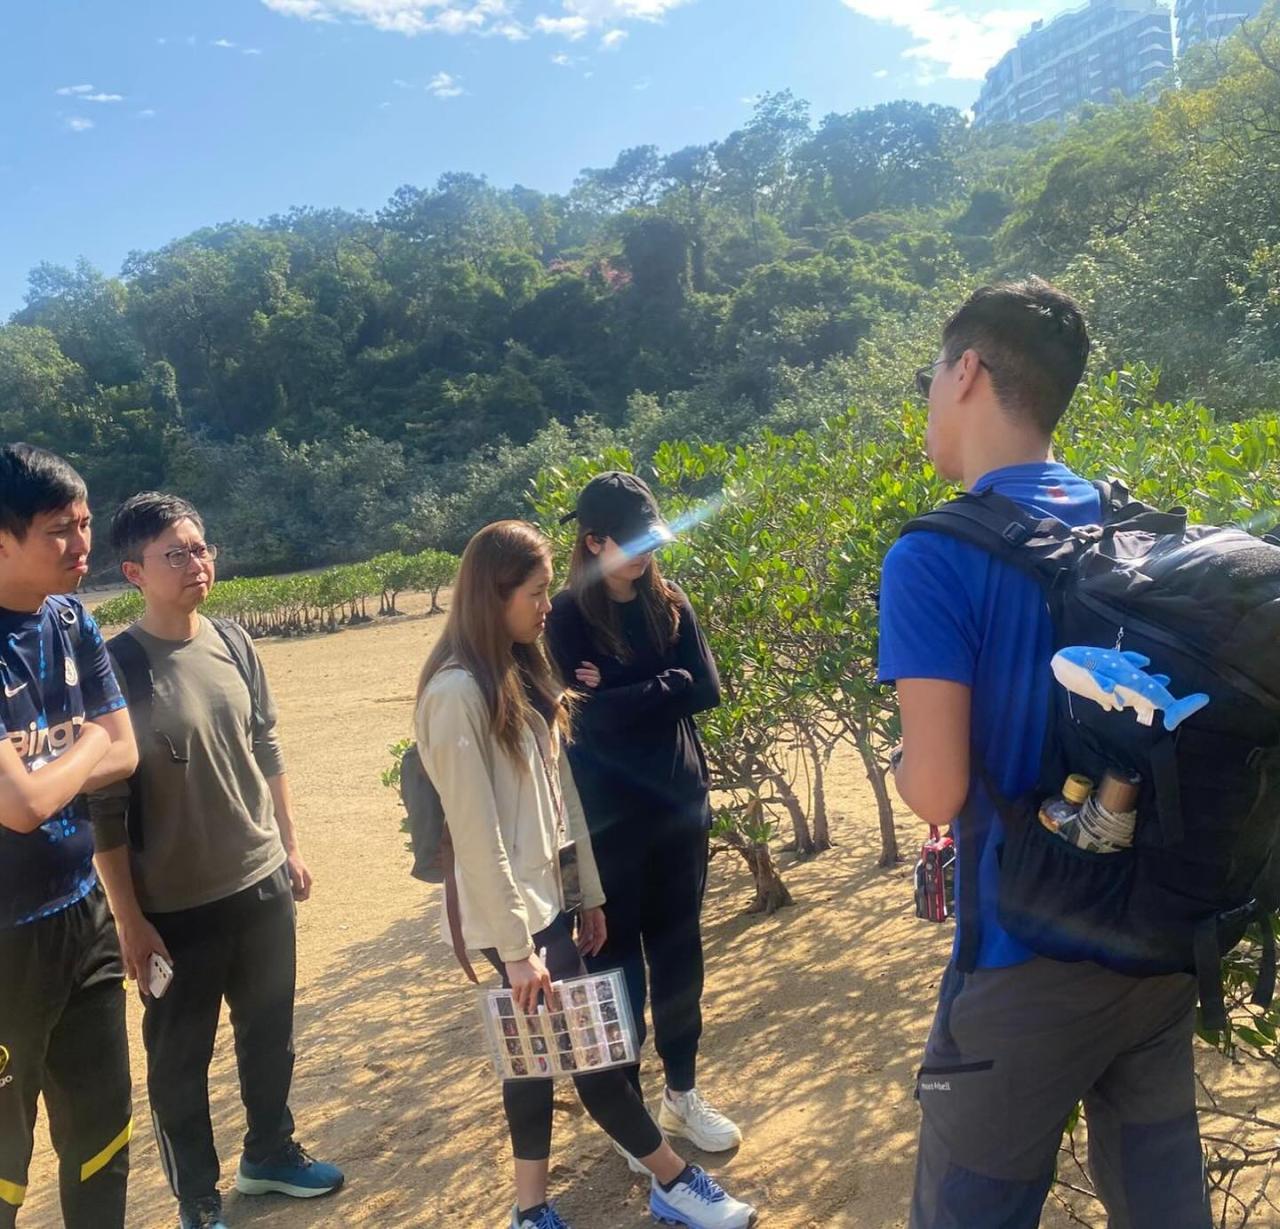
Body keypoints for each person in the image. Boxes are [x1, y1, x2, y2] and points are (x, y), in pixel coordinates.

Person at [878, 279, 1212, 1229]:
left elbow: (936, 789)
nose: (929, 396)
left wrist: (904, 759)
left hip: (1022, 961)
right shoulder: (1133, 528)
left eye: (930, 375)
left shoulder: (932, 556)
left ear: (966, 372)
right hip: (1155, 947)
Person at [416, 519, 754, 1229]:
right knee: (594, 1057)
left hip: (545, 905)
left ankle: (530, 1210)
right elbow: (476, 837)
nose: (549, 606)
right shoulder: (455, 694)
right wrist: (518, 950)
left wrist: (586, 893)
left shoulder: (517, 671)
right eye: (536, 593)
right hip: (512, 920)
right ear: (493, 595)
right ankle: (674, 1181)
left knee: (532, 1060)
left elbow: (560, 800)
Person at [88, 492, 342, 1229]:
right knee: (179, 1060)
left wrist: (289, 844)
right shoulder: (117, 668)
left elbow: (265, 745)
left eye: (201, 548)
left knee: (270, 1032)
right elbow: (104, 809)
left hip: (259, 881)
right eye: (176, 553)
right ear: (134, 572)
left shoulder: (233, 641)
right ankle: (197, 1198)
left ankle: (270, 1153)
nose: (196, 563)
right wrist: (129, 920)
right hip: (173, 907)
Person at [544, 473, 740, 1170]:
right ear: (594, 541)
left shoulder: (670, 602)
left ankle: (682, 1093)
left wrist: (625, 688)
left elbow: (706, 688)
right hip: (609, 824)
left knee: (680, 958)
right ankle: (632, 1116)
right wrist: (665, 684)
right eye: (631, 542)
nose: (647, 553)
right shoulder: (565, 617)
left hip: (680, 807)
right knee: (617, 968)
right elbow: (583, 721)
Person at [0, 444, 139, 1229]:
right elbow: (21, 805)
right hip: (6, 940)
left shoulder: (70, 618)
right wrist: (86, 742)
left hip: (83, 916)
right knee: (2, 1157)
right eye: (59, 528)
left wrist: (63, 760)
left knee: (100, 1127)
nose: (81, 543)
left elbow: (129, 749)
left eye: (84, 523)